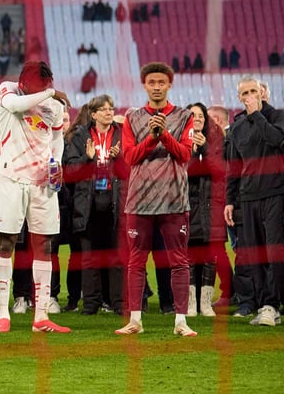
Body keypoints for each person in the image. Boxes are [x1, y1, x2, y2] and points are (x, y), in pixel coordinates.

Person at [0, 61, 72, 334]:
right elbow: (14, 107)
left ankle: (41, 316)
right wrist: (50, 94)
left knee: (45, 245)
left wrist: (56, 163)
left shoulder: (55, 108)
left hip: (42, 184)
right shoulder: (7, 90)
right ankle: (3, 314)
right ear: (22, 84)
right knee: (5, 243)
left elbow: (57, 137)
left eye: (43, 89)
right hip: (11, 178)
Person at [117, 62, 196, 337]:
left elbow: (185, 155)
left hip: (174, 199)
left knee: (179, 261)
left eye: (161, 82)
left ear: (169, 84)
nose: (157, 87)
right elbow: (129, 157)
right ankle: (135, 320)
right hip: (140, 201)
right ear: (145, 85)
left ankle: (181, 321)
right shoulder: (132, 117)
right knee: (136, 261)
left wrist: (164, 135)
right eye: (152, 82)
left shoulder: (185, 116)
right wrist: (152, 139)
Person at [224, 77, 284, 326]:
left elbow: (278, 140)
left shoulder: (278, 116)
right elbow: (233, 168)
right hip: (247, 198)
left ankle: (271, 304)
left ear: (263, 93)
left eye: (253, 91)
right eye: (244, 92)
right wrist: (229, 200)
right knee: (254, 255)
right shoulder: (237, 128)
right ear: (239, 97)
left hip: (275, 193)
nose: (249, 95)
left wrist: (258, 115)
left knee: (274, 252)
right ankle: (264, 305)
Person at [63, 95, 126, 315]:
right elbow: (69, 170)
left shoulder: (122, 134)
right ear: (94, 114)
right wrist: (87, 159)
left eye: (111, 108)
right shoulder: (80, 137)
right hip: (88, 204)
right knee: (89, 258)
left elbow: (132, 169)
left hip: (115, 202)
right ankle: (91, 304)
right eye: (104, 109)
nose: (109, 112)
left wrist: (120, 159)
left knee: (117, 257)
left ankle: (118, 304)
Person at [185, 102, 225, 318]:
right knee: (189, 256)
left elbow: (221, 170)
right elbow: (183, 173)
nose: (197, 118)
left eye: (200, 115)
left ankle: (206, 303)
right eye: (193, 115)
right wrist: (192, 151)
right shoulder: (181, 142)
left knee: (210, 256)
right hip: (188, 207)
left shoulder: (217, 142)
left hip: (212, 206)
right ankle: (191, 303)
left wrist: (205, 149)